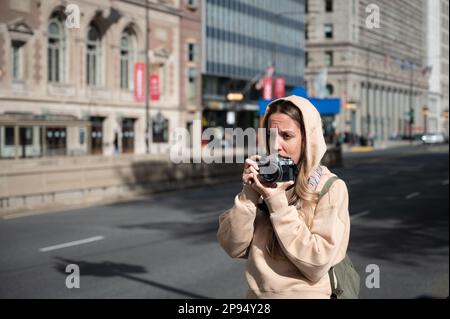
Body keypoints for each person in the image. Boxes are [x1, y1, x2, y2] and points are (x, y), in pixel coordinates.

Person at [217, 95, 350, 299]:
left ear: (308, 140)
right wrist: (249, 195)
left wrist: (277, 204)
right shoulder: (263, 179)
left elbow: (317, 263)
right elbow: (233, 246)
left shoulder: (330, 188)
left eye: (286, 136)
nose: (276, 146)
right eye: (271, 135)